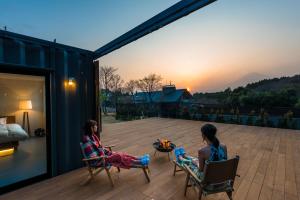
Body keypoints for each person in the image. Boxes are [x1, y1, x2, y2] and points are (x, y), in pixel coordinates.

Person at [82, 120, 149, 169]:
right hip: (99, 160)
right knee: (118, 156)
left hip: (104, 156)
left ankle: (139, 159)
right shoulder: (87, 140)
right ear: (91, 128)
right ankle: (139, 162)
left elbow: (99, 148)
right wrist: (104, 156)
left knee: (122, 154)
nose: (97, 127)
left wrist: (108, 153)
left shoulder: (93, 136)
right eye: (95, 126)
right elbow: (92, 156)